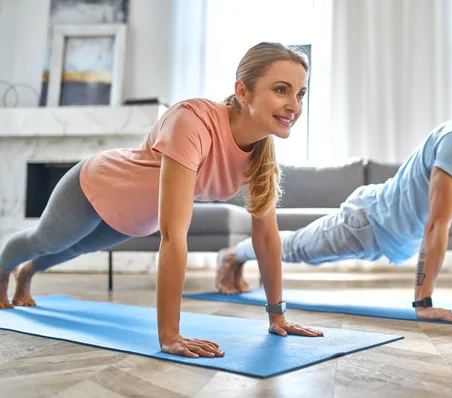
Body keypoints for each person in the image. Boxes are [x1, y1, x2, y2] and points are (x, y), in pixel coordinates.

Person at [0, 42, 324, 358]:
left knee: (76, 247)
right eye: (281, 90)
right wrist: (170, 335)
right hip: (95, 185)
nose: (294, 106)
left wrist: (276, 315)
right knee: (46, 240)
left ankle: (26, 273)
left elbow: (266, 239)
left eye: (300, 94)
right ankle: (4, 270)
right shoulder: (193, 121)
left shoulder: (261, 153)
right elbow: (173, 235)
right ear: (243, 91)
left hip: (136, 218)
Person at [217, 77, 452, 323]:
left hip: (394, 239)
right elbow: (438, 223)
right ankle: (234, 254)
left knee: (297, 249)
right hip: (366, 222)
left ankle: (238, 255)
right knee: (296, 249)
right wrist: (423, 302)